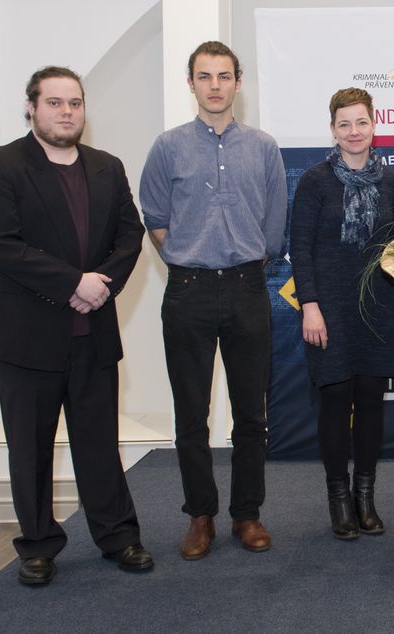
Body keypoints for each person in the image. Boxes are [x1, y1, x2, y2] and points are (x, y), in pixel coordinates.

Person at [0, 66, 152, 585]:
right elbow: (1, 244)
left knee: (100, 444)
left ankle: (118, 537)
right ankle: (37, 546)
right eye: (54, 103)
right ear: (31, 107)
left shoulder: (107, 166)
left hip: (93, 335)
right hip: (25, 341)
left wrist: (101, 286)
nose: (66, 112)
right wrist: (75, 283)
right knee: (30, 449)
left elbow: (130, 235)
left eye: (74, 102)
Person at [139, 41, 288, 559]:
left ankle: (247, 514)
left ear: (238, 83)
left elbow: (274, 225)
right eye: (204, 76)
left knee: (251, 413)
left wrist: (245, 262)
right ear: (191, 83)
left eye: (224, 76)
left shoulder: (263, 147)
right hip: (189, 291)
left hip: (247, 287)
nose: (215, 85)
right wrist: (188, 258)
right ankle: (200, 516)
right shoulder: (168, 147)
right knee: (190, 414)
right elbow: (155, 218)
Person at [290, 88, 394, 539]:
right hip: (328, 311)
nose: (354, 132)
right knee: (335, 402)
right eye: (344, 124)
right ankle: (338, 498)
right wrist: (310, 306)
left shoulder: (392, 183)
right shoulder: (314, 181)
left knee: (372, 405)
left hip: (378, 309)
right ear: (332, 129)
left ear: (375, 125)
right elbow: (300, 250)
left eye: (361, 122)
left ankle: (365, 497)